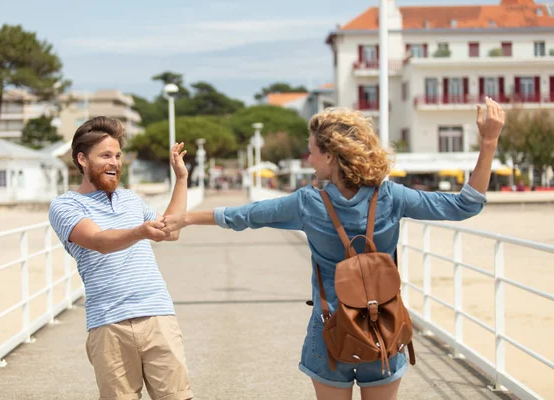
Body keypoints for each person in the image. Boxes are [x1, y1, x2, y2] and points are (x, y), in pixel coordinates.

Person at [162, 98, 505, 400]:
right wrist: (488, 142)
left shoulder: (307, 203)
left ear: (330, 155)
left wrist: (186, 219)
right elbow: (465, 206)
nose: (308, 158)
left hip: (329, 330)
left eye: (312, 151)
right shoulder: (391, 197)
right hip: (382, 325)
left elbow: (244, 216)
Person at [48, 116, 193, 400]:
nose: (114, 163)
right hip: (108, 323)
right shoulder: (65, 205)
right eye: (105, 156)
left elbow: (170, 231)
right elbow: (99, 241)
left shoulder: (131, 199)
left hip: (156, 314)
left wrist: (182, 179)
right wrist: (140, 231)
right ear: (82, 159)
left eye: (117, 155)